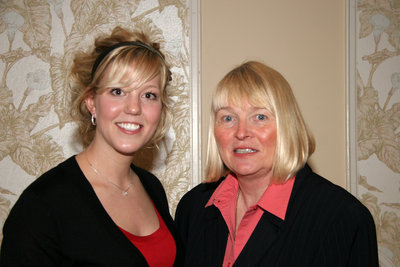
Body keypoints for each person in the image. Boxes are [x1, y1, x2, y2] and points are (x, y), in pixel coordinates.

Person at [1, 26, 183, 266]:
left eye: (148, 95)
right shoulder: (42, 206)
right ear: (91, 103)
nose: (134, 108)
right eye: (118, 91)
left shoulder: (151, 188)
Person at [175, 61, 378, 266]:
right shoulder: (193, 209)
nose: (241, 132)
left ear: (287, 126)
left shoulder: (342, 218)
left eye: (260, 117)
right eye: (228, 118)